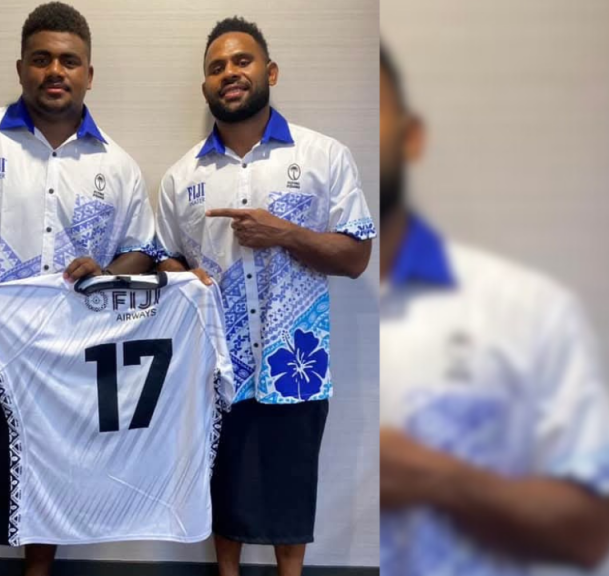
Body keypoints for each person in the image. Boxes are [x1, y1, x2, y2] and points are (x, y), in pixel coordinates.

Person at [0, 3, 156, 575]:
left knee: (52, 489)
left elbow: (142, 248)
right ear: (21, 67)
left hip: (66, 366)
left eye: (69, 61)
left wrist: (107, 272)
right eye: (41, 59)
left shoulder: (118, 166)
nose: (55, 71)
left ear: (89, 74)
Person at [379, 43, 609, 575]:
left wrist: (439, 479)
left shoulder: (529, 310)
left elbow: (593, 528)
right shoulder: (279, 316)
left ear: (411, 135)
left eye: (369, 107)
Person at [154, 16, 374, 576]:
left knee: (290, 486)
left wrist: (286, 234)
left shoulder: (324, 156)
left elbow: (356, 257)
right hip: (215, 364)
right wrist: (185, 275)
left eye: (242, 61)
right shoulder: (181, 178)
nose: (229, 73)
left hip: (295, 360)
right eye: (217, 67)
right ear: (206, 87)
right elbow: (164, 257)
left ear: (269, 72)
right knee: (223, 484)